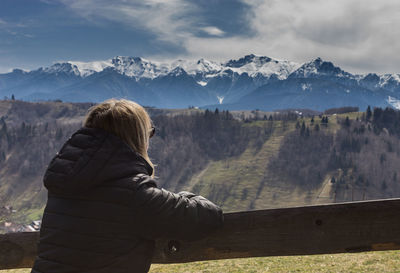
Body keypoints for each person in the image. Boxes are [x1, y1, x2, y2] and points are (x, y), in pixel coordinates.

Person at [31, 99, 224, 273]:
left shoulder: (63, 184)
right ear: (137, 137)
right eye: (150, 133)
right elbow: (207, 217)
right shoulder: (134, 193)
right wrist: (184, 196)